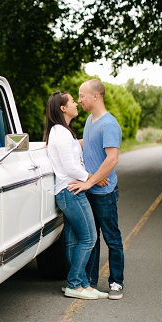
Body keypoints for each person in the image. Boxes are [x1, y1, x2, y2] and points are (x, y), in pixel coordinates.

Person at [43, 91, 108, 299]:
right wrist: (94, 177)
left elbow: (73, 151)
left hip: (69, 190)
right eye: (72, 101)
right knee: (89, 238)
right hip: (71, 190)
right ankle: (74, 283)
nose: (76, 103)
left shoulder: (63, 132)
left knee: (73, 241)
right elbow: (70, 167)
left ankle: (82, 283)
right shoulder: (60, 133)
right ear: (63, 108)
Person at [68, 79, 124, 300]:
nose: (79, 99)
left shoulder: (109, 124)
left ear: (96, 96)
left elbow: (112, 159)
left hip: (104, 193)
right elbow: (88, 144)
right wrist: (55, 143)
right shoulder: (91, 120)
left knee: (112, 238)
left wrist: (91, 181)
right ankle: (90, 283)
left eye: (82, 95)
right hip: (90, 189)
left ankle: (116, 282)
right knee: (92, 237)